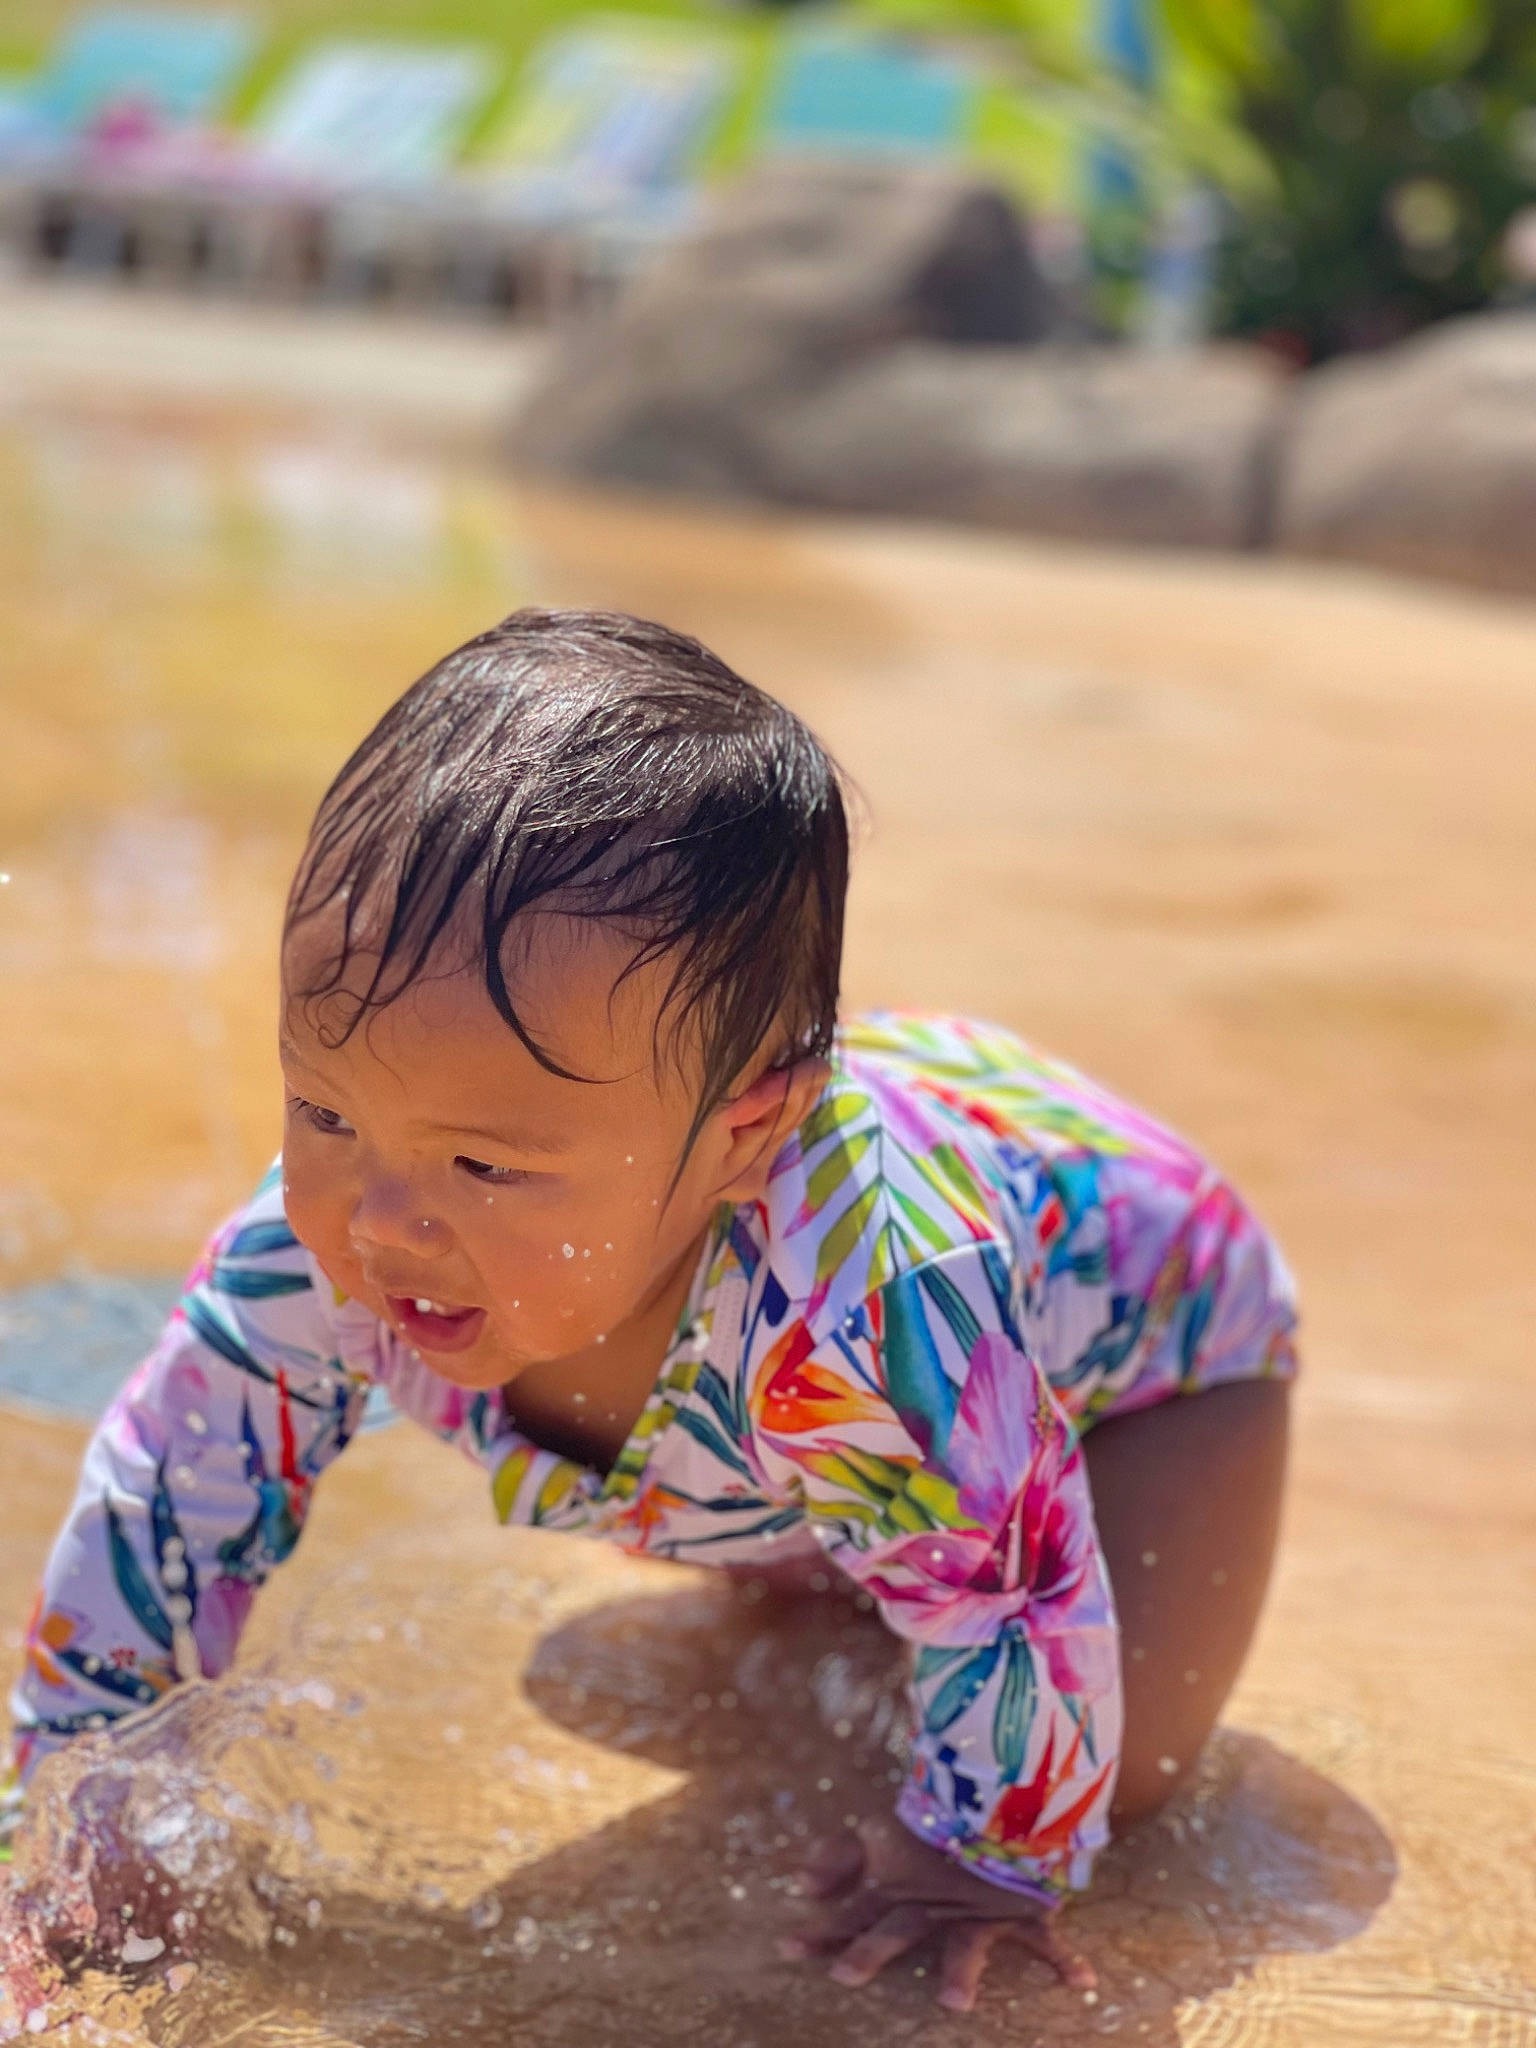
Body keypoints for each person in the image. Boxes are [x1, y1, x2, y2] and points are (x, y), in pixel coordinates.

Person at [4, 609, 1295, 2012]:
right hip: (831, 1334)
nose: (381, 1219)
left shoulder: (883, 1305)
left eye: (485, 1164)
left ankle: (891, 1544)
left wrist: (989, 1851)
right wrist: (88, 1814)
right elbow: (168, 1506)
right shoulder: (321, 1238)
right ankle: (863, 1543)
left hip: (1154, 1344)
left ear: (748, 1135)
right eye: (325, 1107)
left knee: (1129, 1766)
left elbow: (1022, 1591)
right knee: (624, 1664)